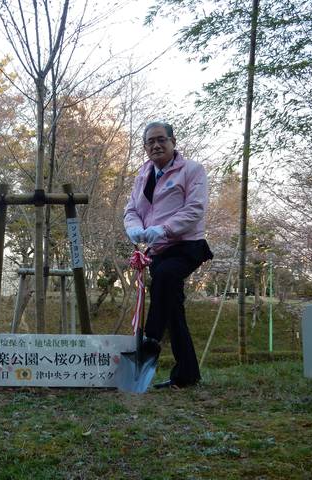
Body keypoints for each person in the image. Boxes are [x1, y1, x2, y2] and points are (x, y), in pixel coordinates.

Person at [124, 121, 213, 389]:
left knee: (163, 278)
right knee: (173, 307)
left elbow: (195, 208)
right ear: (145, 147)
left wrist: (163, 229)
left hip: (186, 246)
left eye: (161, 139)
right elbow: (131, 210)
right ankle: (186, 375)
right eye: (150, 141)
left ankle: (150, 340)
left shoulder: (192, 170)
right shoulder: (142, 175)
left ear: (173, 142)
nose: (156, 145)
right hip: (158, 251)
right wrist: (135, 230)